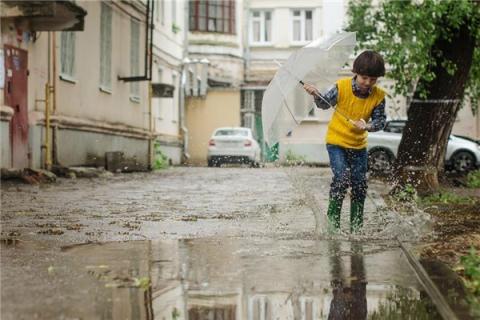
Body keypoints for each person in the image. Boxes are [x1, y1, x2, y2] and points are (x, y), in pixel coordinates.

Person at [303, 50, 387, 233]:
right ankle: (333, 227)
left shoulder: (378, 96)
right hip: (337, 142)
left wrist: (368, 126)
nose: (368, 83)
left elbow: (380, 122)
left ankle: (356, 228)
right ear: (355, 72)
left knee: (359, 184)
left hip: (359, 146)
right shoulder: (341, 87)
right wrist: (316, 94)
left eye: (373, 79)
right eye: (364, 78)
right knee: (341, 179)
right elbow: (324, 104)